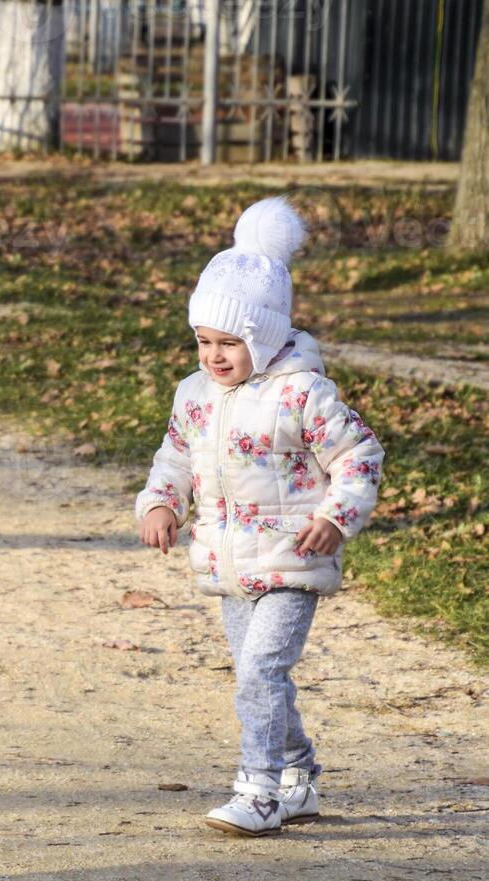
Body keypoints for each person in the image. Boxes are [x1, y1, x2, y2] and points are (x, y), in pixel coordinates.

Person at [136, 197, 384, 837]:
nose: (214, 356)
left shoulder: (302, 393)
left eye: (230, 343)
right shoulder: (194, 395)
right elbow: (176, 453)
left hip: (293, 556)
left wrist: (336, 516)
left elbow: (359, 454)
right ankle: (299, 779)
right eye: (203, 341)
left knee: (262, 672)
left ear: (266, 336)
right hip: (227, 561)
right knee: (257, 675)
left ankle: (260, 791)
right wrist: (162, 501)